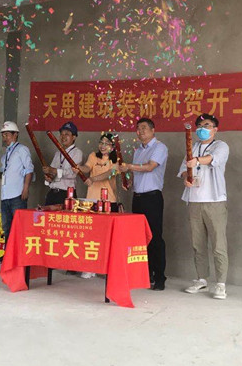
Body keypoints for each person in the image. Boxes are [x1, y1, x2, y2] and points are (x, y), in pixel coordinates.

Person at [177, 114, 230, 300]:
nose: (202, 128)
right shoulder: (192, 147)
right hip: (194, 201)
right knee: (197, 243)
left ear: (215, 129)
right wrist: (186, 177)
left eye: (206, 125)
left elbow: (214, 159)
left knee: (218, 244)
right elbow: (183, 170)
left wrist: (197, 161)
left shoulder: (221, 146)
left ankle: (221, 283)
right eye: (199, 125)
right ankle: (201, 279)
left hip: (214, 201)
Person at [119, 118, 168, 290]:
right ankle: (146, 274)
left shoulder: (160, 147)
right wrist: (128, 181)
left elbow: (150, 167)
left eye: (144, 128)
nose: (140, 131)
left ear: (153, 130)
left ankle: (160, 277)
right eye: (138, 128)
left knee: (154, 237)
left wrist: (129, 166)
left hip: (152, 198)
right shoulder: (138, 150)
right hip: (138, 198)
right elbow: (136, 173)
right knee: (140, 238)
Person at [73, 132, 121, 279]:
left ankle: (107, 268)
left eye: (107, 143)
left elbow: (109, 174)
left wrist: (92, 179)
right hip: (92, 201)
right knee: (91, 236)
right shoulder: (93, 156)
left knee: (107, 237)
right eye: (101, 142)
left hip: (108, 202)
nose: (103, 146)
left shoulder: (117, 160)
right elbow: (87, 168)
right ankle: (90, 267)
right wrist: (79, 168)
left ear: (113, 146)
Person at [0, 121, 34, 264]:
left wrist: (25, 188)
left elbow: (29, 170)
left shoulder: (22, 150)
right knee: (7, 226)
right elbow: (5, 174)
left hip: (17, 194)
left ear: (15, 134)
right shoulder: (6, 153)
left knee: (18, 227)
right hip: (6, 195)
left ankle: (18, 257)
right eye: (3, 135)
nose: (4, 137)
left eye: (7, 134)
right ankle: (7, 255)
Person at [42, 121, 84, 206]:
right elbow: (52, 172)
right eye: (61, 134)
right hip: (52, 193)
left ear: (74, 137)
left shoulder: (77, 153)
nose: (63, 137)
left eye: (67, 134)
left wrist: (53, 170)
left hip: (67, 194)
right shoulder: (58, 153)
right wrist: (49, 176)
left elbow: (72, 174)